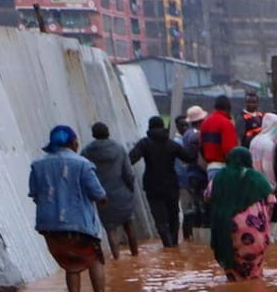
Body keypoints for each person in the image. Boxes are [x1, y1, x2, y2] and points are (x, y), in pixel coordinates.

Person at [28, 125, 108, 292]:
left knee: (71, 264)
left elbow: (34, 194)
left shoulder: (38, 165)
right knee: (95, 259)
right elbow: (98, 193)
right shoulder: (83, 164)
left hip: (50, 227)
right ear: (73, 142)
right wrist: (103, 200)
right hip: (79, 225)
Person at [206, 146, 274, 280]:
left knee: (232, 271)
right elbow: (271, 200)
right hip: (254, 231)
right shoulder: (256, 177)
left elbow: (207, 196)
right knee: (255, 273)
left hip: (226, 230)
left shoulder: (219, 178)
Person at [129, 115, 196, 248]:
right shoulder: (171, 144)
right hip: (171, 184)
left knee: (159, 218)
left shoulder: (145, 143)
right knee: (173, 215)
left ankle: (167, 244)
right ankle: (174, 245)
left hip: (152, 186)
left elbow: (130, 159)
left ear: (149, 128)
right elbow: (189, 158)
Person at [81, 122, 139, 258]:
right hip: (122, 193)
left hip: (102, 196)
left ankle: (116, 258)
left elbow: (84, 173)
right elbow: (128, 174)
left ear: (94, 134)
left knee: (110, 229)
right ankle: (135, 255)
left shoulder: (86, 152)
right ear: (108, 132)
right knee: (129, 224)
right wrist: (130, 189)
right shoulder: (119, 149)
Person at [178, 106, 209, 236]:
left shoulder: (187, 134)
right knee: (203, 207)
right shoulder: (196, 135)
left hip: (191, 174)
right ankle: (202, 236)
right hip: (200, 174)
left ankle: (194, 237)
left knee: (196, 206)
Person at [198, 96, 237, 180]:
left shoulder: (205, 122)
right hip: (223, 168)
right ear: (228, 108)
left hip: (210, 167)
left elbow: (201, 147)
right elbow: (229, 150)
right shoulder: (226, 123)